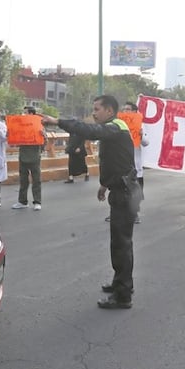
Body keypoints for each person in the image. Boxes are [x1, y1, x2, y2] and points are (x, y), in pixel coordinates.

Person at [42, 95, 138, 309]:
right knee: (118, 243)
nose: (94, 113)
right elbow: (116, 162)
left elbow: (90, 131)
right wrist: (104, 185)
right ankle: (121, 284)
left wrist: (57, 121)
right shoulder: (113, 129)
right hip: (120, 189)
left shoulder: (114, 128)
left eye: (97, 109)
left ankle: (123, 296)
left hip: (125, 193)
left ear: (109, 111)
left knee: (122, 245)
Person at [12, 106, 44, 211]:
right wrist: (11, 135)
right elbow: (15, 143)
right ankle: (22, 201)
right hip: (23, 156)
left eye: (25, 113)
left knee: (36, 180)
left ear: (31, 114)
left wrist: (43, 136)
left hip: (35, 157)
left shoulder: (39, 125)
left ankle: (37, 202)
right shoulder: (20, 126)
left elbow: (44, 142)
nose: (23, 114)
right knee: (23, 180)